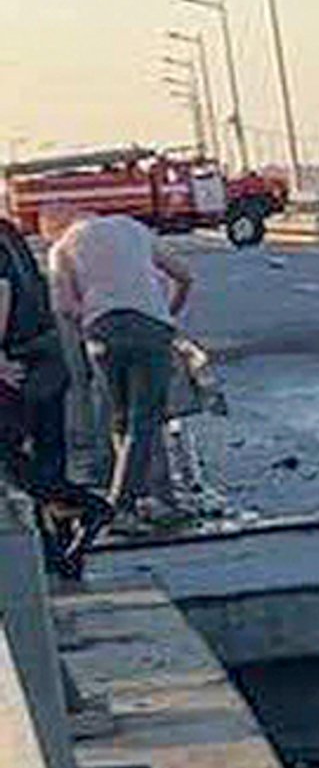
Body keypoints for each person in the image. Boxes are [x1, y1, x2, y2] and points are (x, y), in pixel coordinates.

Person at [47, 210, 194, 544]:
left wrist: (90, 330)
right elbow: (184, 275)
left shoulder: (62, 248)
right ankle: (122, 508)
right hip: (151, 329)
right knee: (145, 420)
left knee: (121, 420)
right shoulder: (132, 228)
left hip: (102, 335)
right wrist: (166, 314)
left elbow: (65, 307)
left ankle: (149, 497)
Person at [0, 215, 109, 575]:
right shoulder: (8, 231)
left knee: (9, 457)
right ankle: (60, 555)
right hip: (46, 353)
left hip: (20, 360)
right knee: (48, 454)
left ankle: (86, 507)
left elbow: (1, 291)